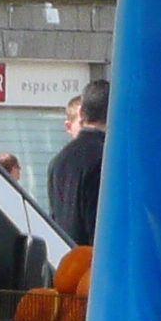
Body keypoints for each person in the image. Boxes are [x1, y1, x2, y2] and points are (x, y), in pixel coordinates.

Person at [46, 77, 108, 245]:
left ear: (81, 113)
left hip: (67, 264)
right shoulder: (107, 161)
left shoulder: (57, 161)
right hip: (92, 266)